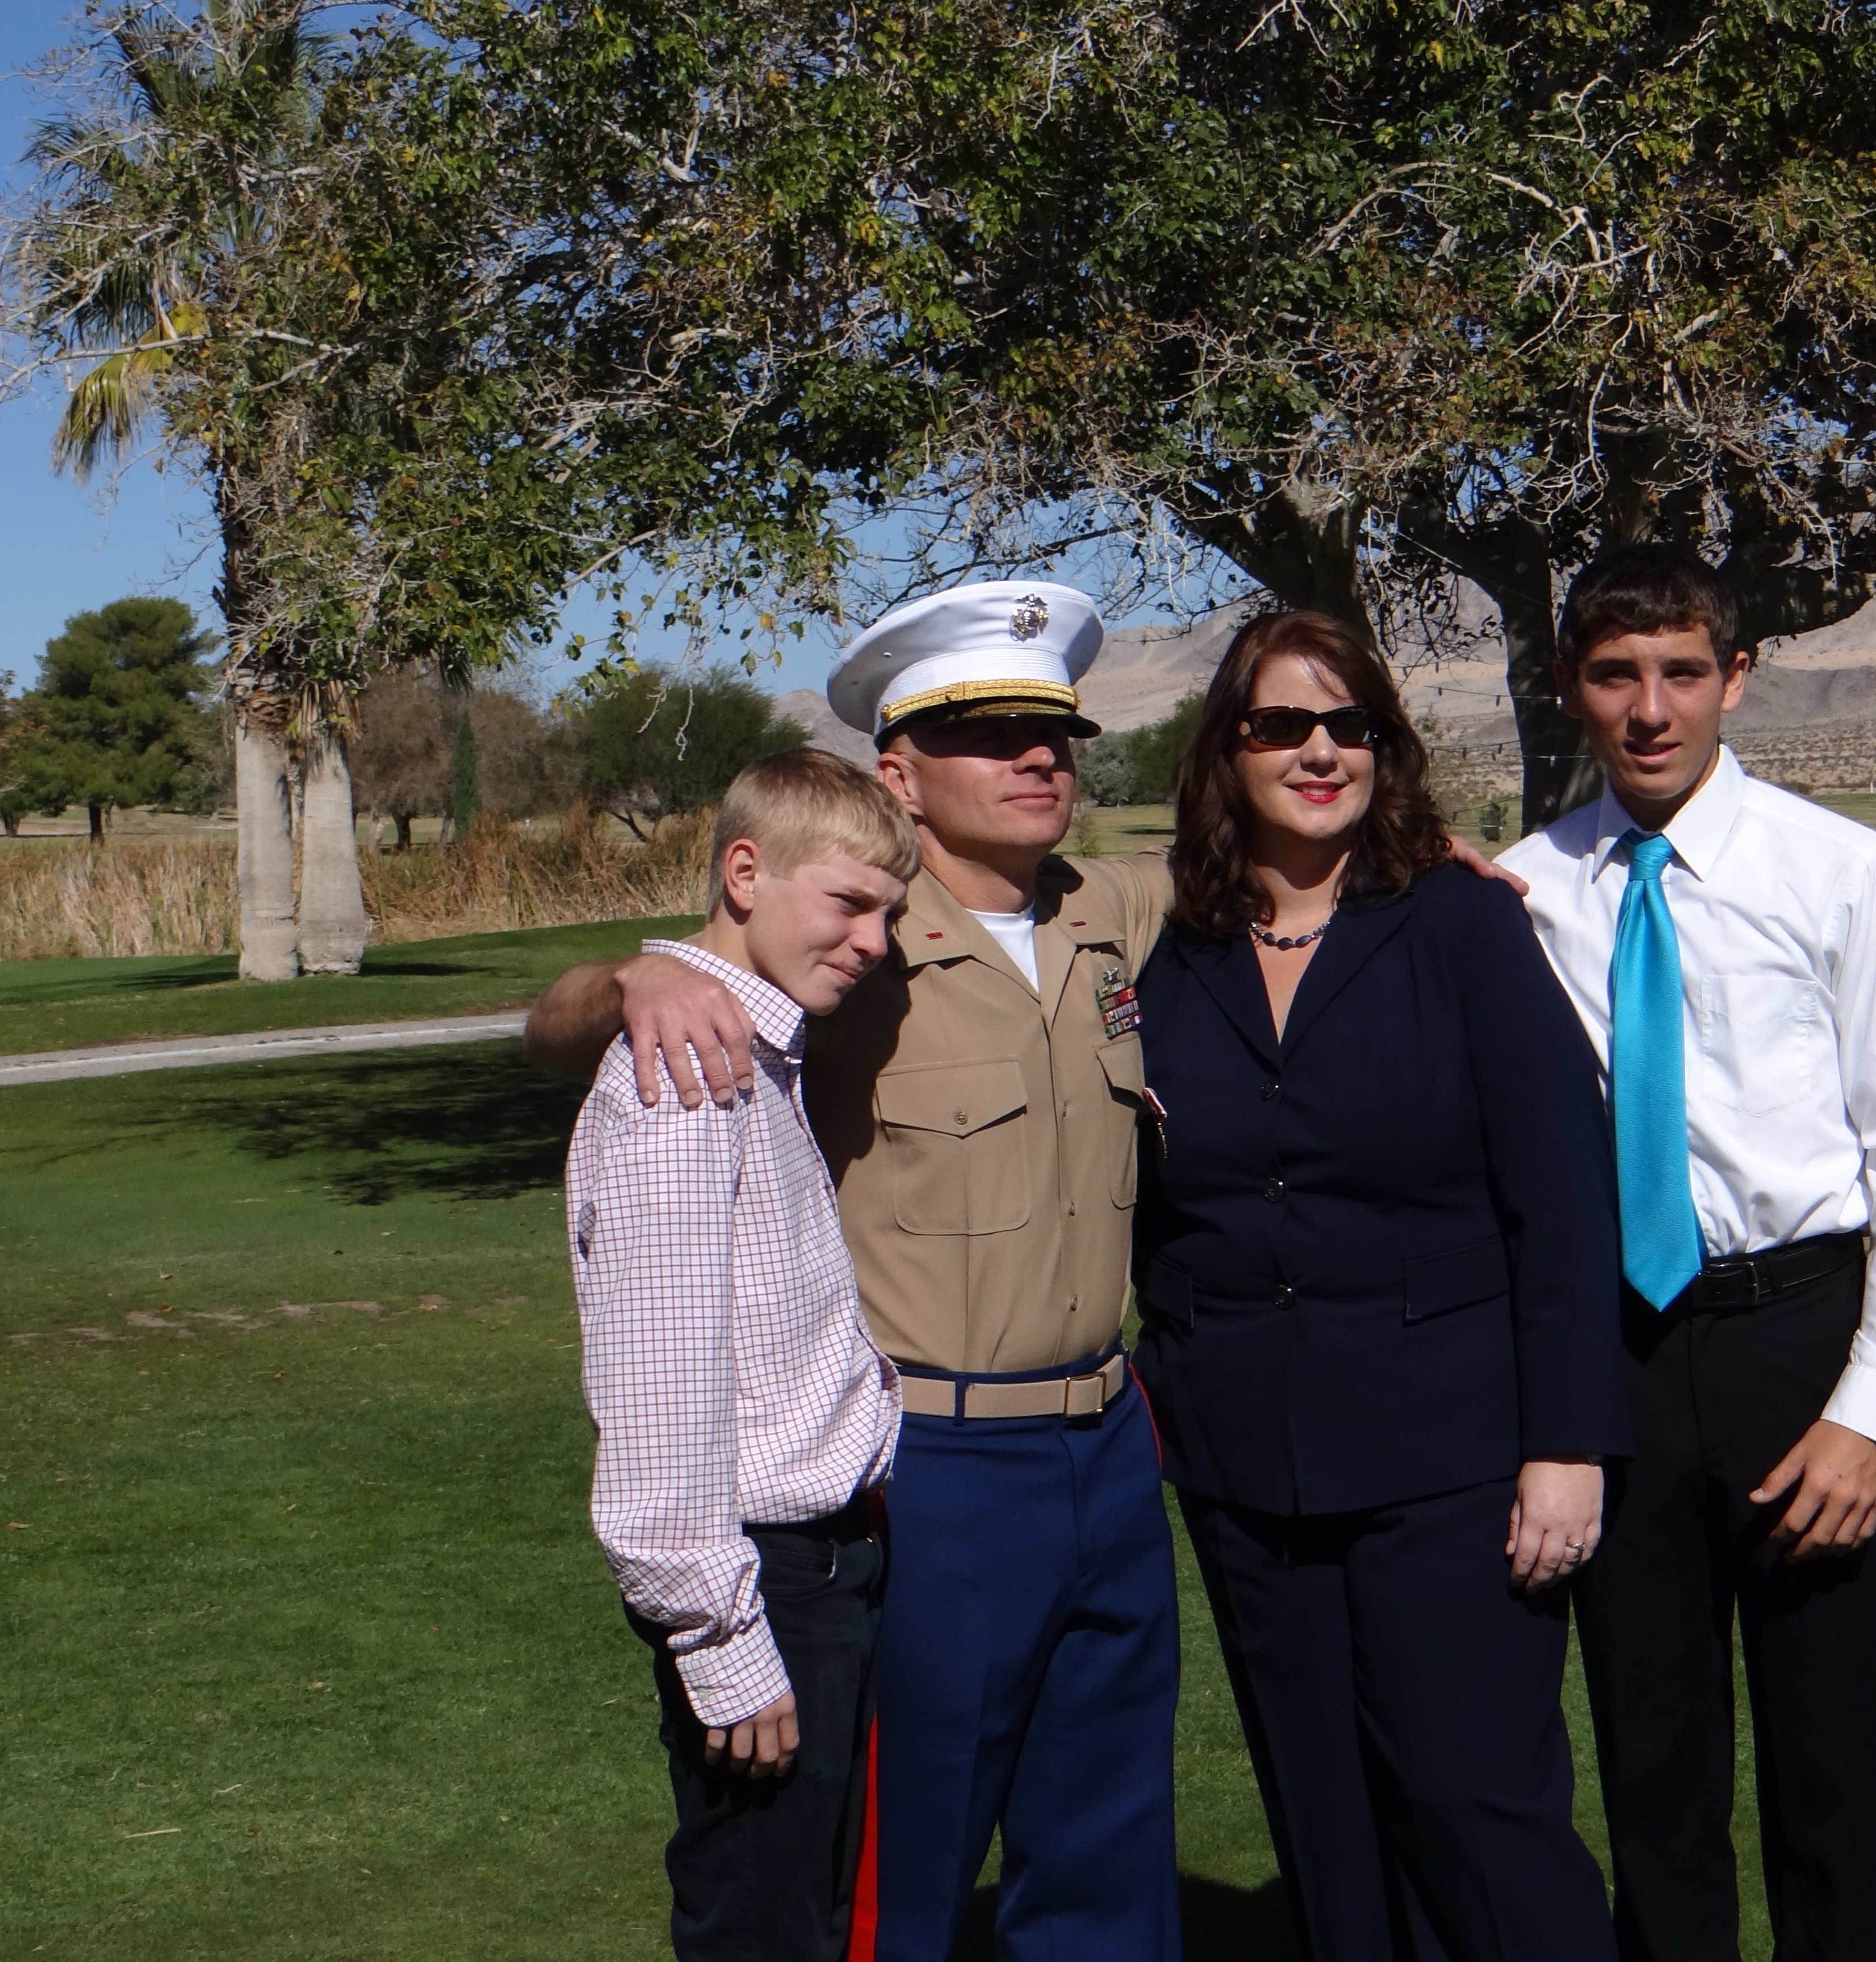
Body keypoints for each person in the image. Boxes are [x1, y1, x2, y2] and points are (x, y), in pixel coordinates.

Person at [529, 581, 1184, 1961]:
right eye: (990, 729)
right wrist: (635, 979)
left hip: (1111, 1445)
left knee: (1109, 1844)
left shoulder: (1107, 907)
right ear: (899, 773)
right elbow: (578, 1023)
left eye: (1054, 729)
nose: (1038, 756)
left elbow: (1291, 864)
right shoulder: (851, 944)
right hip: (928, 1460)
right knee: (898, 1868)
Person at [1498, 545, 1876, 1962]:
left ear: (1735, 680)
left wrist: (1872, 1413)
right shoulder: (1525, 894)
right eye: (1614, 674)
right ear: (1570, 688)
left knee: (1825, 1762)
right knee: (1654, 1766)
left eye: (1682, 672)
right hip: (1623, 1350)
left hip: (1798, 1341)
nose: (1650, 708)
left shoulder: (1842, 873)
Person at [1131, 610, 1627, 1962]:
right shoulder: (1164, 946)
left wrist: (1566, 1443)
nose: (1318, 750)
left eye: (1348, 724)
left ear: (1385, 748)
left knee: (1475, 1806)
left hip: (1450, 1458)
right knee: (1325, 1821)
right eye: (1282, 724)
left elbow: (1563, 1200)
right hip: (1245, 1465)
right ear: (1225, 751)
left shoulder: (1460, 922)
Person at [567, 749, 918, 1962]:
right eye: (851, 903)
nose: (873, 941)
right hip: (765, 1579)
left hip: (822, 1563)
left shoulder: (759, 1053)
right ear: (745, 871)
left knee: (804, 1914)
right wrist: (721, 1641)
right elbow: (659, 1388)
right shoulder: (689, 1078)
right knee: (763, 1926)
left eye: (890, 914)